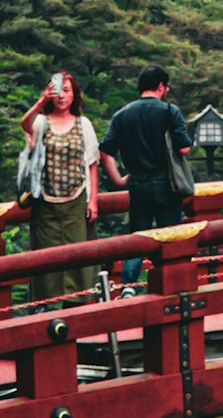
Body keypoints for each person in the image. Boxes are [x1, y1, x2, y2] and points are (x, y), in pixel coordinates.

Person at [104, 64, 195, 290]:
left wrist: (118, 179)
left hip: (137, 183)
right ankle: (172, 285)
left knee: (138, 235)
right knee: (170, 234)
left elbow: (105, 151)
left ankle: (128, 286)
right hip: (165, 182)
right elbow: (184, 149)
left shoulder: (122, 115)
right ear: (161, 86)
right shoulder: (168, 111)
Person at [13, 73, 111, 255]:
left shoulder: (84, 124)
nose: (61, 96)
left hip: (77, 199)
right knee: (47, 255)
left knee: (78, 254)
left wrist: (93, 201)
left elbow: (91, 164)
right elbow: (25, 124)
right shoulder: (41, 123)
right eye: (57, 91)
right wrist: (40, 102)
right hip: (45, 201)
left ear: (74, 94)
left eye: (66, 91)